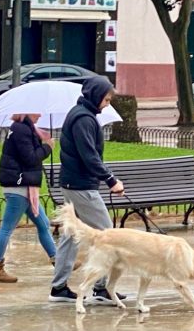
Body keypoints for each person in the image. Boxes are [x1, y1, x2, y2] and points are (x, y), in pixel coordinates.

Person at [49, 75, 125, 303]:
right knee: (106, 234)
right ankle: (101, 288)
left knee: (70, 235)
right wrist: (111, 180)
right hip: (81, 185)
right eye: (106, 99)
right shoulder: (83, 118)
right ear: (95, 96)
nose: (107, 104)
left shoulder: (82, 114)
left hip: (74, 183)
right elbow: (89, 155)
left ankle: (58, 287)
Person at [0, 113, 57, 283]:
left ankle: (58, 260)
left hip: (25, 186)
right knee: (7, 228)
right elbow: (30, 158)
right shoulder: (21, 130)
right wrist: (47, 147)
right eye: (36, 111)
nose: (40, 115)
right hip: (19, 186)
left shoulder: (26, 129)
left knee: (43, 224)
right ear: (26, 111)